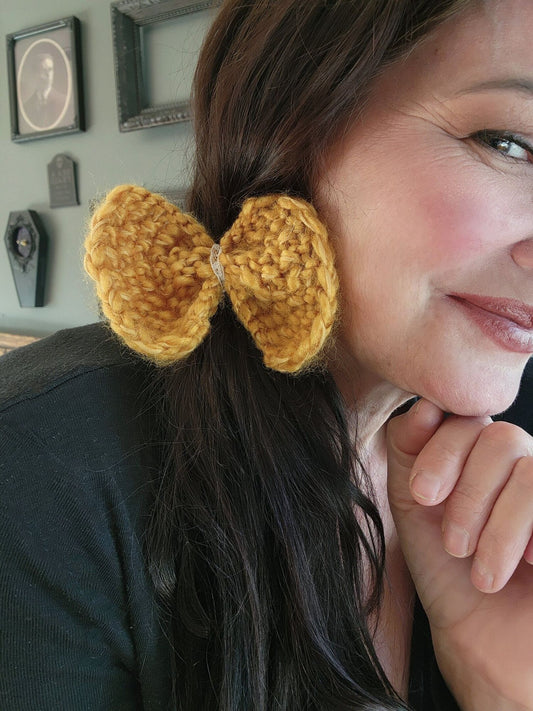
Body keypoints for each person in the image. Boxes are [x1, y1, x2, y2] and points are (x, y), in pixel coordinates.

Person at [1, 0, 533, 708]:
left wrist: (500, 687)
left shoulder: (508, 464)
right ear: (292, 118)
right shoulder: (40, 473)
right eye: (509, 143)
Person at [21, 52, 66, 130]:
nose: (48, 74)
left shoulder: (64, 101)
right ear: (35, 74)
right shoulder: (26, 107)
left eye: (50, 69)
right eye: (44, 70)